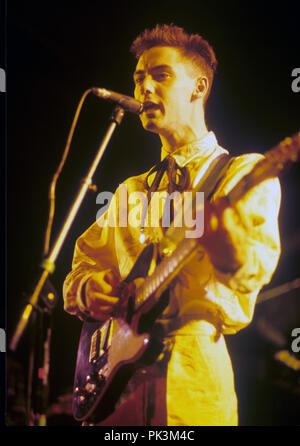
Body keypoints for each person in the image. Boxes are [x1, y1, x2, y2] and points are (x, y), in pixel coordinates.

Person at [63, 24, 281, 426]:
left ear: (198, 88)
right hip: (115, 394)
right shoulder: (129, 191)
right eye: (139, 78)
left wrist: (228, 250)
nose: (144, 87)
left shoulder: (243, 174)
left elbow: (255, 269)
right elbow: (82, 266)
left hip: (193, 384)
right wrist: (86, 289)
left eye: (160, 75)